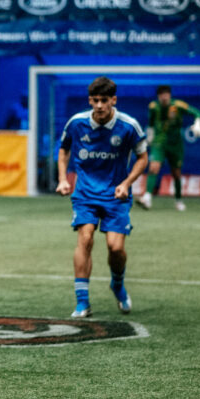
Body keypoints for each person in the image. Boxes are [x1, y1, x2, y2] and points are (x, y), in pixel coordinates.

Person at [56, 76, 148, 318]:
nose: (99, 105)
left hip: (116, 195)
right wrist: (63, 179)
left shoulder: (129, 126)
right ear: (90, 100)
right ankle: (82, 302)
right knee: (85, 239)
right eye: (95, 100)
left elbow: (143, 158)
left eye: (104, 100)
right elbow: (63, 149)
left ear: (113, 100)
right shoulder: (76, 123)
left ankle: (117, 284)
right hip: (85, 193)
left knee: (115, 248)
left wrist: (126, 183)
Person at [138, 85, 200, 212]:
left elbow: (197, 112)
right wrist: (149, 137)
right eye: (161, 95)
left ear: (169, 95)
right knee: (153, 167)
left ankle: (178, 200)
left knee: (176, 173)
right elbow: (150, 124)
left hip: (175, 144)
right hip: (159, 143)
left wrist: (198, 123)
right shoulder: (153, 107)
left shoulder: (178, 105)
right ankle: (147, 197)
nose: (164, 97)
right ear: (158, 96)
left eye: (166, 94)